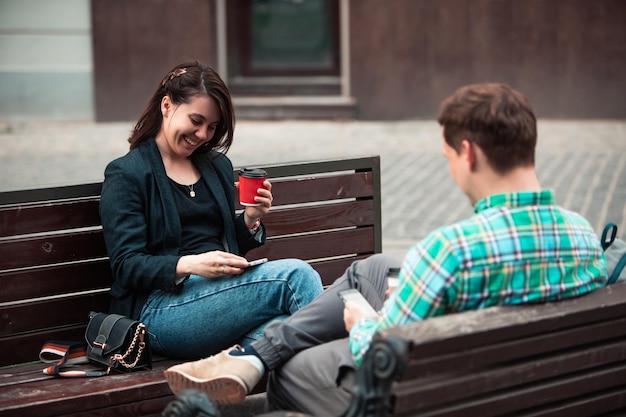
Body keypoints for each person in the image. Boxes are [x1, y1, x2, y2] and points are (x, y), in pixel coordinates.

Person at [164, 83, 607, 414]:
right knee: (375, 269)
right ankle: (252, 356)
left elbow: (379, 350)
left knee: (292, 366)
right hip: (519, 382)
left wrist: (362, 323)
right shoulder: (585, 238)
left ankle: (259, 358)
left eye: (449, 158)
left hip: (426, 394)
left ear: (468, 154)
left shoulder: (451, 251)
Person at [99, 61, 323, 360]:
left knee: (288, 327)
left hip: (218, 300)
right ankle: (347, 382)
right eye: (196, 120)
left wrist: (251, 219)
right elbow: (126, 265)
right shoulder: (128, 173)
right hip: (159, 311)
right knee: (296, 276)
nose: (203, 134)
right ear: (167, 106)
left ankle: (239, 371)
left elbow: (223, 244)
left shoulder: (216, 165)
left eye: (213, 126)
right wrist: (190, 265)